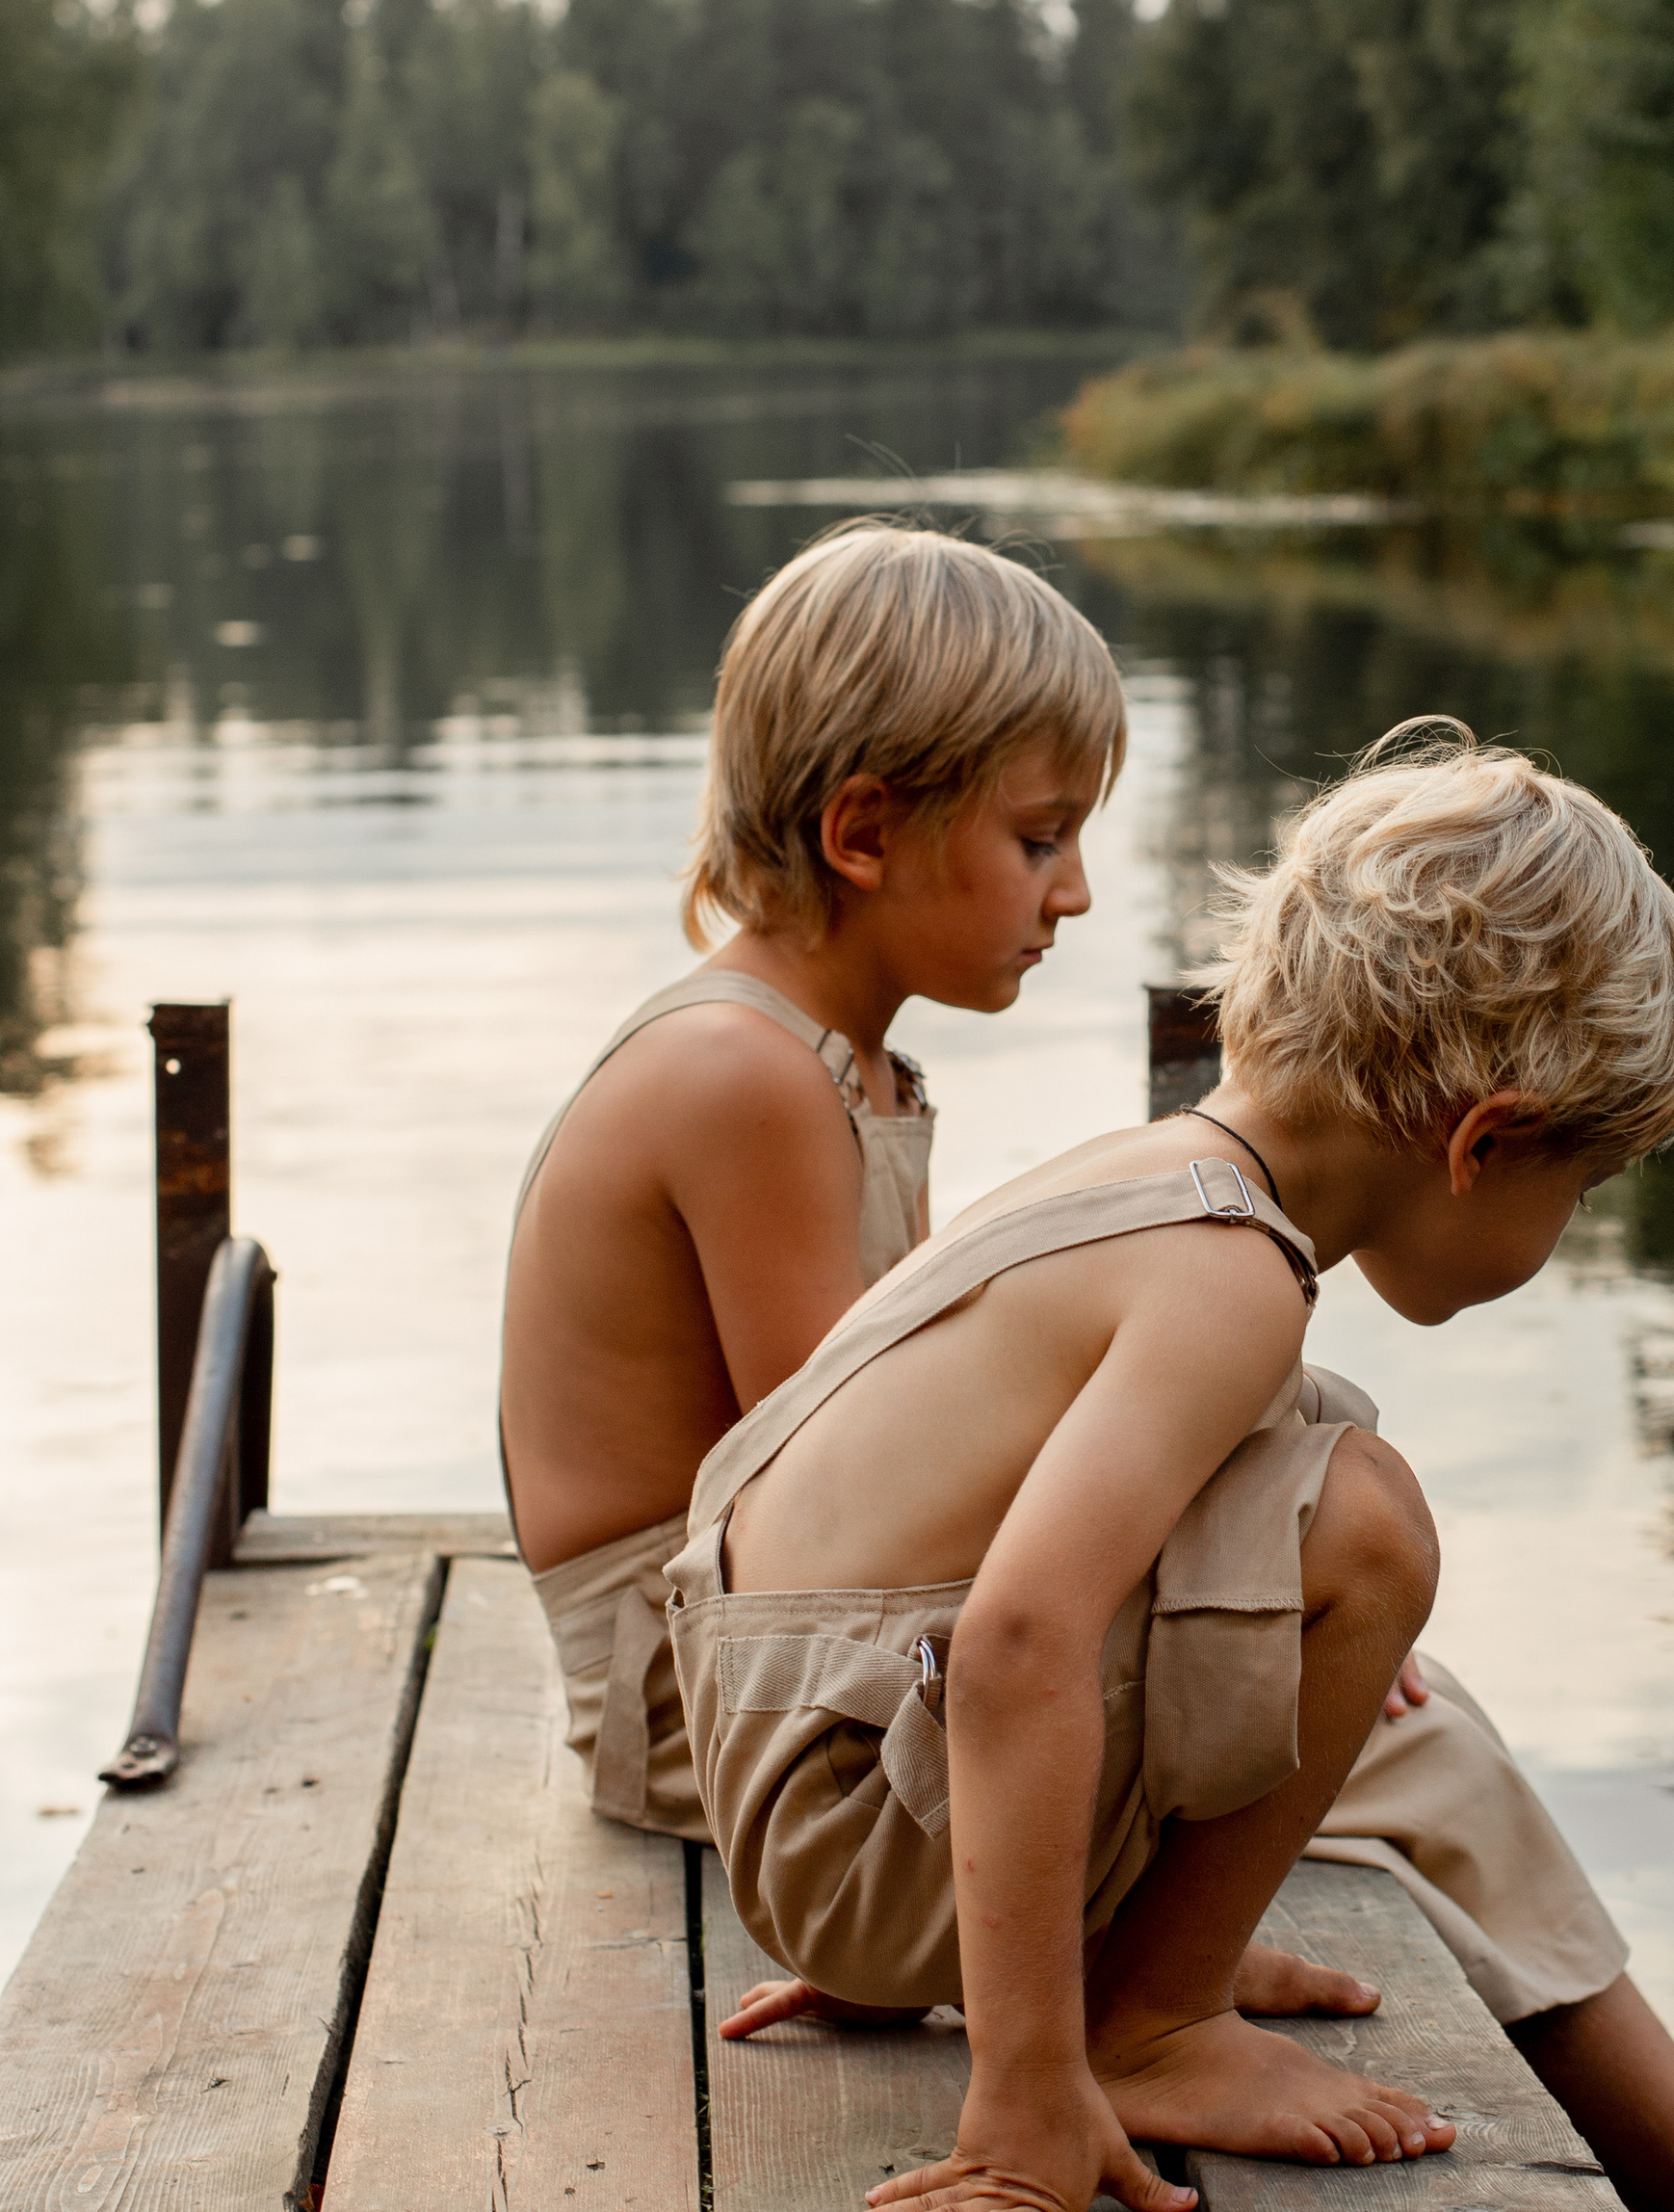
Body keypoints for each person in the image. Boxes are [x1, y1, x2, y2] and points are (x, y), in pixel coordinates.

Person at [667, 730, 1674, 2212]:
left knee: (1330, 1538)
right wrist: (1026, 2089)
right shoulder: (1232, 1276)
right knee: (1366, 1526)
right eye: (1588, 1184)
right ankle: (1151, 2027)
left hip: (794, 1769)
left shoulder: (1159, 1184)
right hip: (844, 1824)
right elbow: (1011, 1649)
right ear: (1483, 1142)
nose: (1565, 1233)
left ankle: (1183, 2001)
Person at [499, 522, 1609, 2029]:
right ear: (864, 832)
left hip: (753, 1653)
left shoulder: (837, 1062)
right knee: (1395, 1726)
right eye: (1041, 837)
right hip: (693, 1697)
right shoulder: (741, 1078)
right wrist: (1264, 1590)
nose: (1075, 892)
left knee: (1375, 1689)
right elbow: (844, 1465)